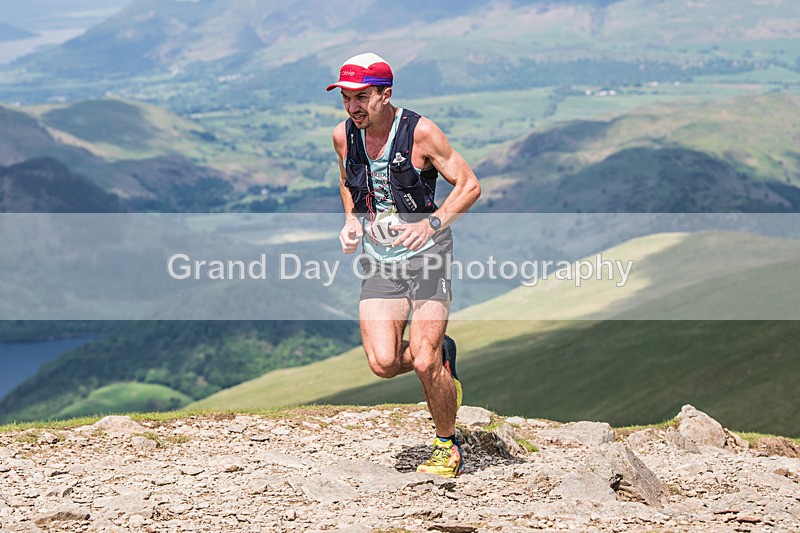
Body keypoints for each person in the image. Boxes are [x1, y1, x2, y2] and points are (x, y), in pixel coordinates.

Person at [328, 52, 481, 477]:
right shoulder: (344, 136)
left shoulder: (421, 133)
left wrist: (431, 225)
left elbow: (469, 185)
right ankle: (440, 359)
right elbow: (346, 180)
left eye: (362, 97)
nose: (353, 107)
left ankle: (447, 445)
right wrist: (351, 223)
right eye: (346, 98)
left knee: (424, 361)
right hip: (379, 262)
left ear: (385, 94)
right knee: (382, 362)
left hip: (428, 258)